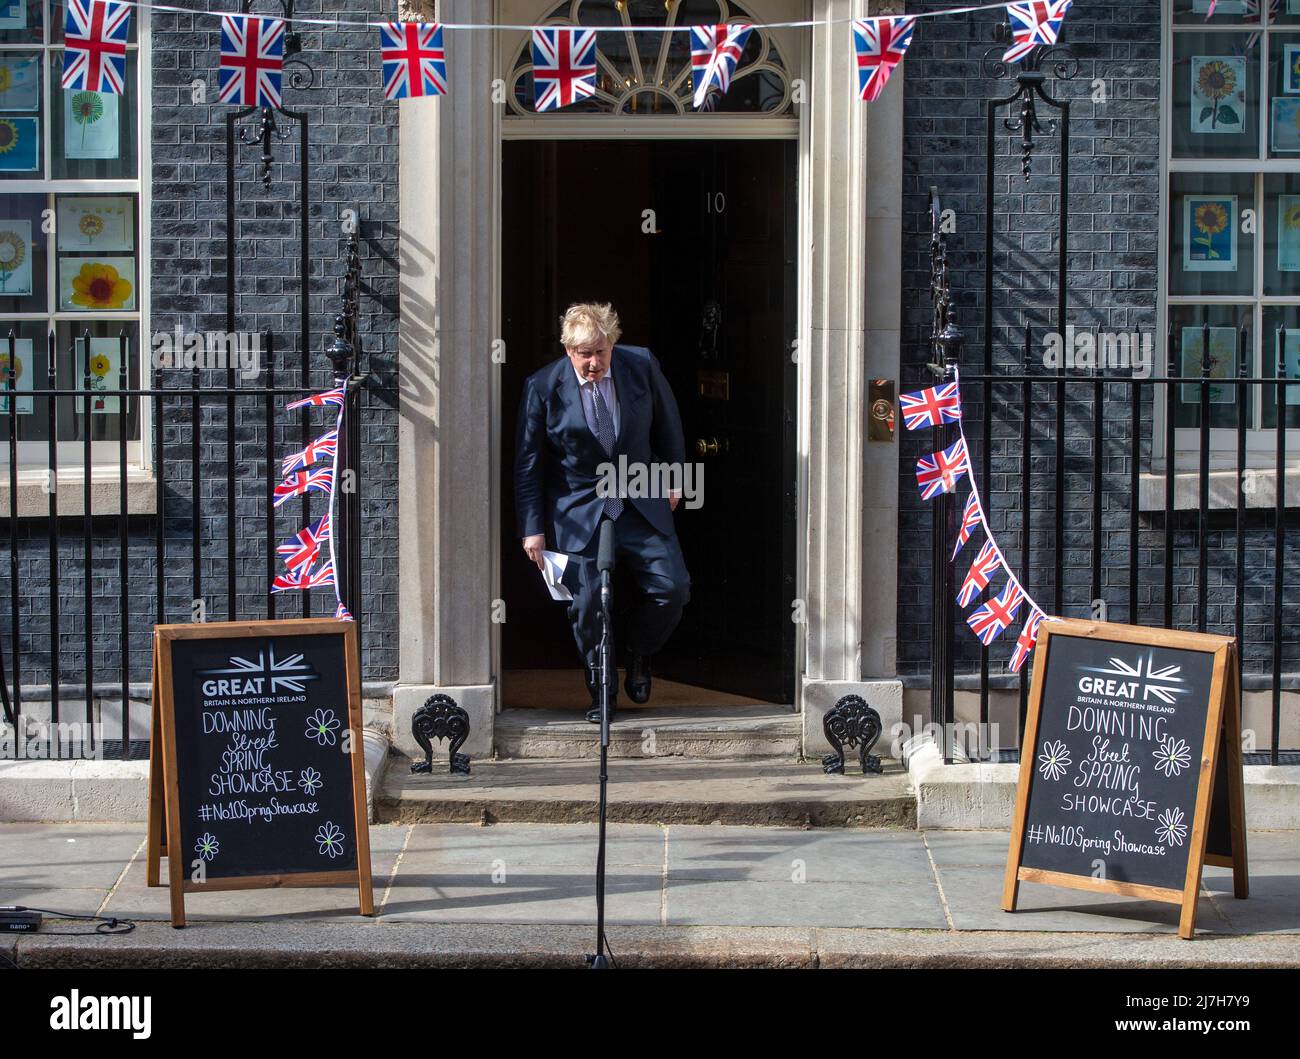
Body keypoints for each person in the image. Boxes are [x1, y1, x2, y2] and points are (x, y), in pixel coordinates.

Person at [514, 302, 690, 723]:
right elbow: (528, 463)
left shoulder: (641, 365)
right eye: (583, 354)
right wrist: (532, 529)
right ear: (567, 350)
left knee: (673, 588)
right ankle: (603, 693)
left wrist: (677, 478)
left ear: (612, 344)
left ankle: (639, 652)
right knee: (588, 603)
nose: (593, 363)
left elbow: (669, 425)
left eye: (600, 351)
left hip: (640, 499)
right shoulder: (542, 386)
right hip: (578, 510)